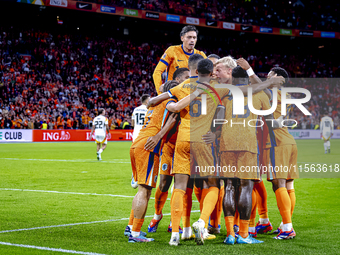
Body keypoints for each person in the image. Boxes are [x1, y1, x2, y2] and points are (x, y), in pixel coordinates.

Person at [219, 66, 281, 245]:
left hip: (226, 142)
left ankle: (230, 233)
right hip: (247, 143)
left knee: (229, 185)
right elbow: (270, 122)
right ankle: (244, 234)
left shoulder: (225, 92)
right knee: (246, 186)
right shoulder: (259, 95)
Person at [125, 80, 179, 243]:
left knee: (142, 189)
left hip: (137, 144)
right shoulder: (170, 102)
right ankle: (135, 233)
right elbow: (173, 117)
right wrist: (159, 136)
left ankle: (131, 227)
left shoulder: (155, 104)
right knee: (145, 191)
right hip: (149, 146)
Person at [147, 68, 189, 234]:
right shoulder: (173, 97)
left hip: (185, 146)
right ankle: (157, 215)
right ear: (178, 80)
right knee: (164, 184)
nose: (190, 79)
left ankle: (175, 221)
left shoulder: (190, 94)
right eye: (186, 77)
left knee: (182, 186)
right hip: (169, 147)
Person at [262, 67, 299, 240]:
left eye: (270, 73)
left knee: (279, 184)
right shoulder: (287, 96)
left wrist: (248, 71)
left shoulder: (271, 92)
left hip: (276, 141)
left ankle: (288, 228)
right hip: (289, 141)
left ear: (277, 77)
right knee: (289, 185)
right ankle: (285, 224)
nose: (267, 75)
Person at [153, 25, 206, 95]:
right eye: (189, 37)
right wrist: (160, 93)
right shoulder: (172, 51)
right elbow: (157, 72)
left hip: (191, 95)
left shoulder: (201, 55)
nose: (192, 40)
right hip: (172, 93)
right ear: (182, 38)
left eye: (194, 38)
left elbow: (209, 75)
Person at [130, 94, 150, 189]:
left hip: (135, 134)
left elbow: (133, 123)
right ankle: (138, 176)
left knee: (135, 154)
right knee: (144, 155)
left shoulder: (135, 109)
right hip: (144, 134)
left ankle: (134, 175)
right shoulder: (148, 109)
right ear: (146, 101)